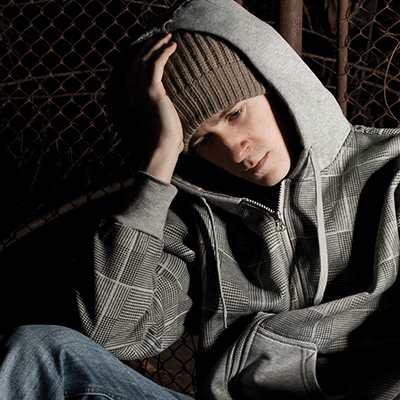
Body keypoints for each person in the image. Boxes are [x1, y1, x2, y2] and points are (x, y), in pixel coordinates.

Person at [1, 0, 400, 398]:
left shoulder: (391, 174)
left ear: (276, 88)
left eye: (234, 114)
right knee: (38, 353)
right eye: (203, 140)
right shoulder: (194, 221)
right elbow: (114, 333)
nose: (235, 150)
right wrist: (159, 162)